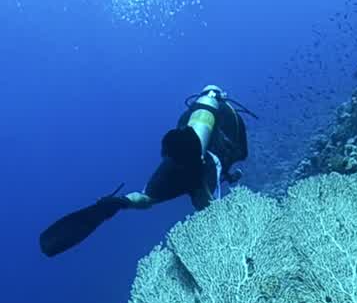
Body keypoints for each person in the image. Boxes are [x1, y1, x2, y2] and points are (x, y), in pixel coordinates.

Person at [39, 84, 254, 257]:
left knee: (234, 159)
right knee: (208, 206)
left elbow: (147, 198)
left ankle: (118, 203)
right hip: (195, 165)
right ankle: (116, 204)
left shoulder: (192, 141)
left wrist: (121, 202)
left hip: (194, 161)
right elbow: (148, 198)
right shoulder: (182, 167)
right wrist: (119, 203)